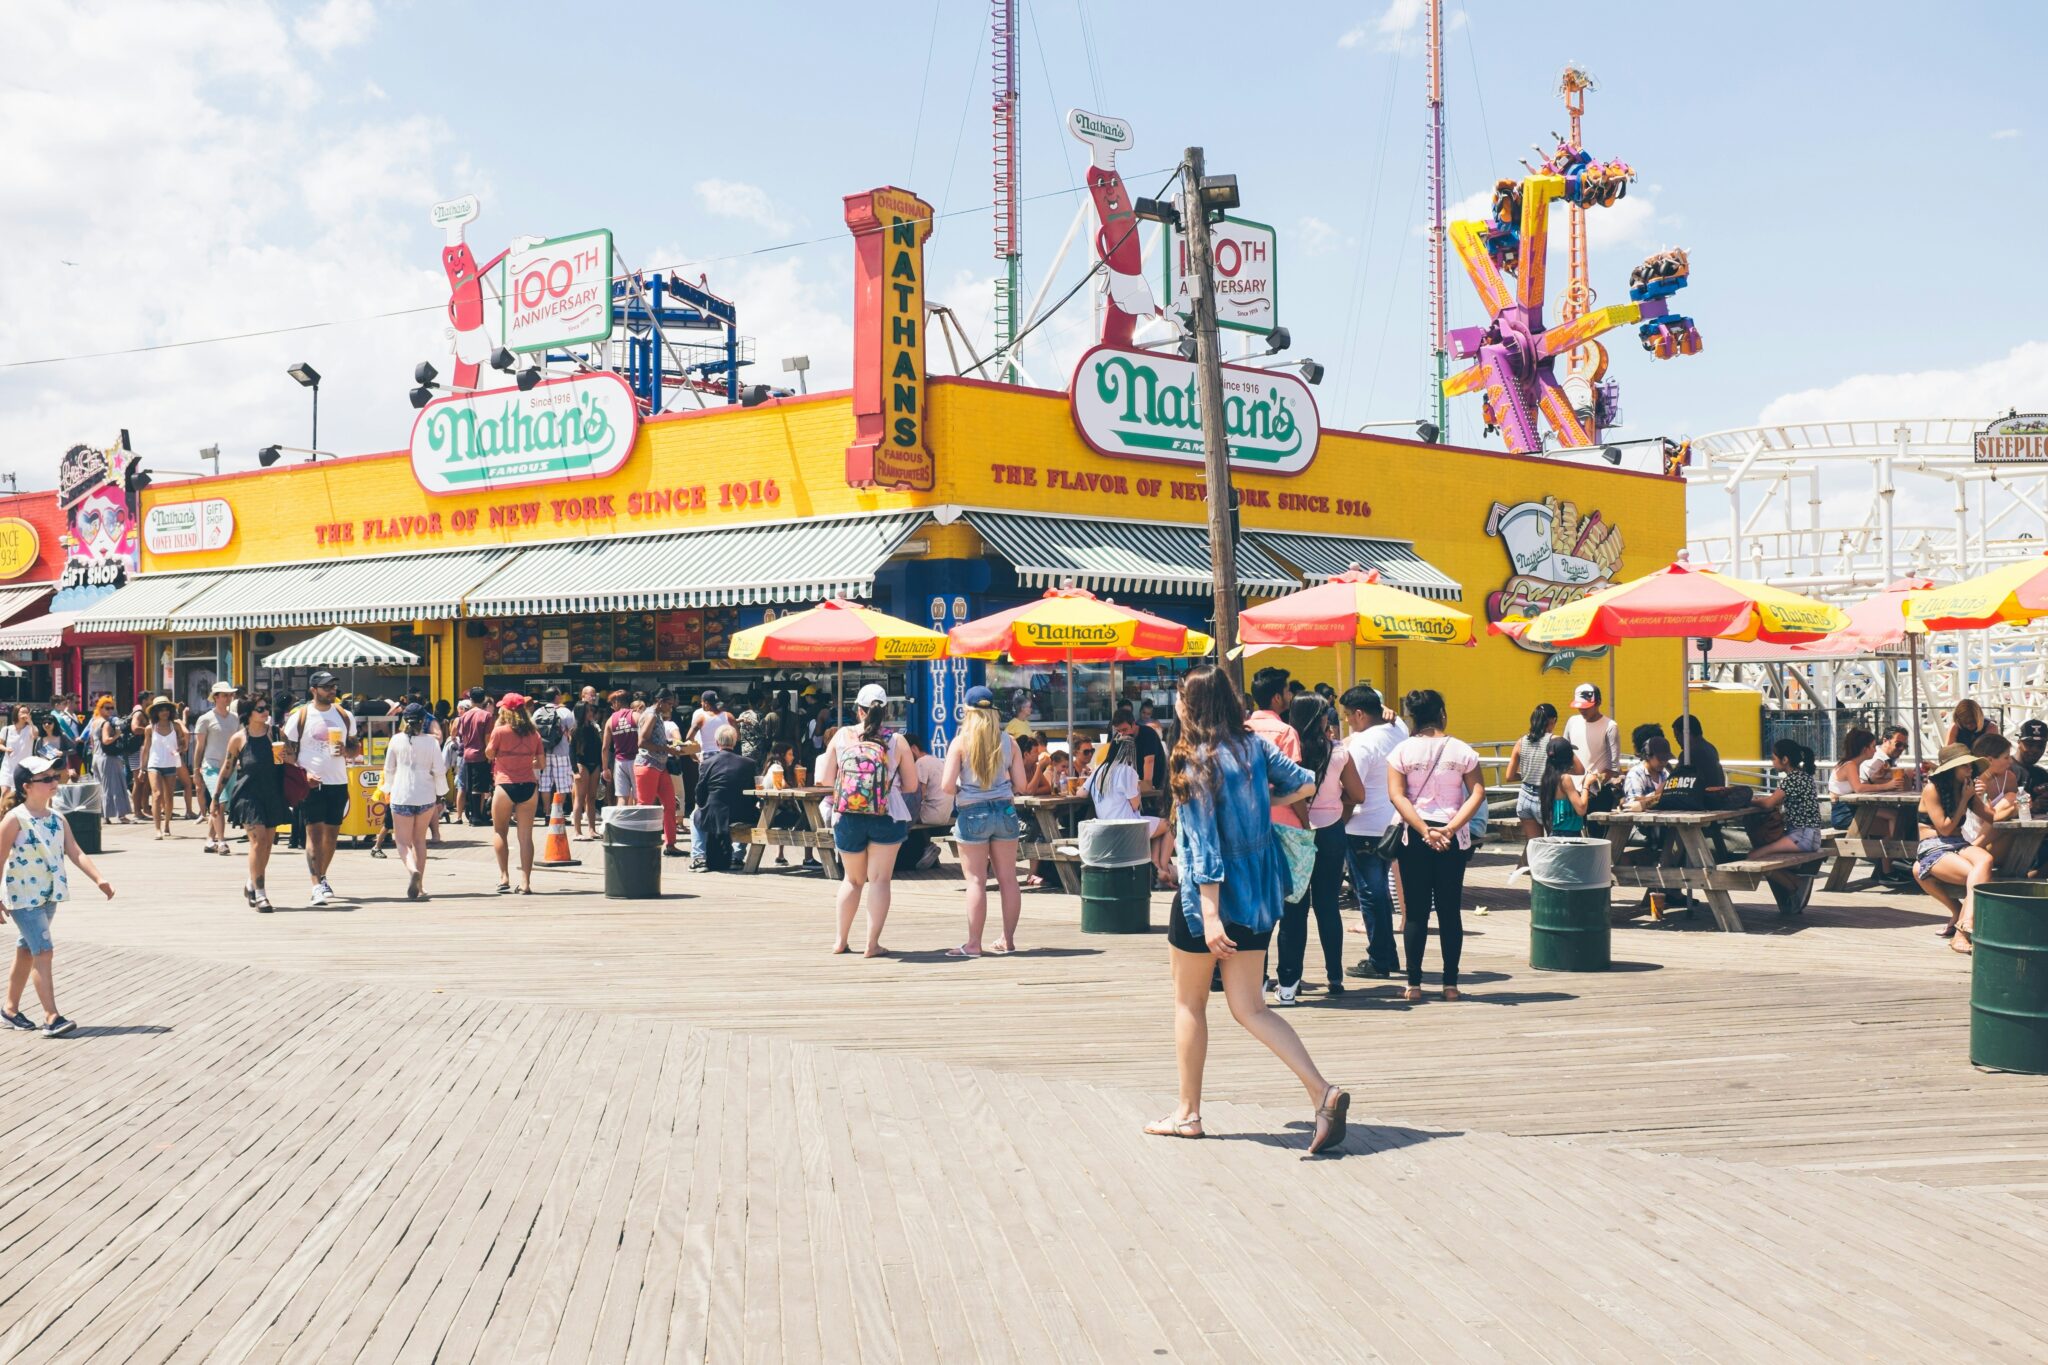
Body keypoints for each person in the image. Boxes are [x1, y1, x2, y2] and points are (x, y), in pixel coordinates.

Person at [1147, 665, 1348, 1153]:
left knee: (1189, 1004)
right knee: (1252, 1008)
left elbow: (1203, 847)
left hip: (1208, 901)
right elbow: (1304, 783)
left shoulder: (1193, 760)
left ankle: (1188, 1114)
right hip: (1260, 894)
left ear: (1191, 705)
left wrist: (1211, 915)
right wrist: (1264, 798)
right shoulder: (1255, 748)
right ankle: (1321, 1092)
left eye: (1179, 697)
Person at [0, 756, 113, 1038]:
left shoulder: (57, 817)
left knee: (28, 948)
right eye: (46, 779)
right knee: (44, 950)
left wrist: (99, 878)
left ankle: (9, 1010)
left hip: (49, 895)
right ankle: (52, 1016)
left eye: (54, 777)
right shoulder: (14, 819)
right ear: (27, 786)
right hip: (23, 897)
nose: (54, 782)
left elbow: (75, 851)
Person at [1387, 689, 1485, 1003]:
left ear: (1413, 717)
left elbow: (1397, 795)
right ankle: (1450, 984)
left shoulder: (1401, 751)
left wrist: (1423, 830)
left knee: (1414, 913)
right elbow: (1477, 793)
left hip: (1414, 836)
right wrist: (1450, 829)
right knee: (1448, 911)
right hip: (1452, 837)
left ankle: (1414, 984)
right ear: (1442, 713)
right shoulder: (1462, 750)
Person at [818, 683, 920, 958]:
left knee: (851, 880)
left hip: (848, 815)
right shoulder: (897, 741)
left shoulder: (842, 736)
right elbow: (911, 786)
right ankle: (872, 944)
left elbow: (826, 780)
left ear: (858, 710)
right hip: (886, 815)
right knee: (879, 880)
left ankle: (840, 940)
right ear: (885, 711)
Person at [1275, 695, 1355, 1004]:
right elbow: (1358, 792)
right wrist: (1337, 807)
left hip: (1295, 831)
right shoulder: (1338, 752)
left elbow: (1285, 790)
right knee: (1327, 906)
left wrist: (1305, 814)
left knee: (1293, 907)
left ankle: (1288, 981)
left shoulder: (1288, 752)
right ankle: (1334, 976)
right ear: (1320, 718)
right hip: (1331, 830)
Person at [941, 687, 1030, 957]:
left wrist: (965, 792)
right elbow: (1022, 786)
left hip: (972, 812)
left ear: (968, 712)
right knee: (1009, 880)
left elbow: (946, 786)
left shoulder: (960, 742)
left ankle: (973, 944)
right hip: (1004, 811)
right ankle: (1008, 940)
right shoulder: (1009, 742)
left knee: (976, 881)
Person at [1339, 684, 1406, 981]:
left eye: (1348, 717)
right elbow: (1393, 716)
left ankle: (1380, 958)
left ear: (1359, 713)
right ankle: (1387, 955)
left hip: (1362, 825)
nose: (1347, 723)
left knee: (1370, 893)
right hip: (1393, 824)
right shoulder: (1398, 729)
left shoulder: (1363, 745)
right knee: (1378, 892)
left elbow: (1352, 791)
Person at [279, 671, 357, 906]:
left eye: (333, 686)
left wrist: (347, 751)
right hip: (311, 784)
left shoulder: (344, 715)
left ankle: (322, 877)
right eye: (326, 687)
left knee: (332, 835)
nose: (332, 691)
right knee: (314, 833)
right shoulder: (301, 716)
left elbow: (354, 747)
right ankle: (315, 885)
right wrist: (303, 773)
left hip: (338, 781)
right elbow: (286, 751)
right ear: (313, 690)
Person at [1914, 743, 1995, 950]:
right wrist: (1965, 800)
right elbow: (1945, 829)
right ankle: (1962, 932)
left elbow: (1991, 817)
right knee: (1976, 875)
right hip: (1934, 846)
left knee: (1986, 860)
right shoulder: (1932, 789)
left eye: (1970, 765)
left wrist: (1986, 795)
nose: (1970, 769)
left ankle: (1963, 925)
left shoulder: (1965, 787)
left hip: (1959, 844)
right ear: (1952, 769)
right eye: (1965, 766)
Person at [220, 694, 285, 911]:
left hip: (272, 792)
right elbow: (227, 767)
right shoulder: (239, 738)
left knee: (267, 844)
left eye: (267, 708)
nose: (266, 712)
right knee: (257, 842)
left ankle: (251, 882)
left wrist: (287, 754)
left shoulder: (275, 734)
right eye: (261, 709)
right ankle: (261, 894)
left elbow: (292, 759)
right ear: (248, 714)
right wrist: (215, 798)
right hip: (248, 795)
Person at [381, 702, 447, 901]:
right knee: (419, 840)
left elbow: (389, 769)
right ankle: (421, 884)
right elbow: (439, 770)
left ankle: (412, 870)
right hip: (426, 795)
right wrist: (441, 791)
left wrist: (387, 789)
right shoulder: (431, 742)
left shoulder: (396, 740)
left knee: (401, 841)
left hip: (402, 794)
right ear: (423, 721)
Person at [1086, 732, 1172, 881]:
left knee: (1157, 824)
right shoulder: (1127, 771)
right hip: (1128, 826)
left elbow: (1081, 793)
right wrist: (1137, 790)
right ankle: (1162, 867)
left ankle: (1157, 866)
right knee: (1170, 825)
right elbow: (1135, 804)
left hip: (1106, 824)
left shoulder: (1099, 770)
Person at [1750, 741, 1825, 910]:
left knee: (1755, 856)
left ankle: (1795, 885)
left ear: (1785, 760)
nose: (1772, 762)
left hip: (1802, 836)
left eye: (1774, 758)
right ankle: (1794, 885)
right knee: (1760, 855)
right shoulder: (1804, 776)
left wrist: (1749, 801)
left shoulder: (1791, 780)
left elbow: (1769, 803)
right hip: (1811, 835)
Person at [485, 692, 543, 894]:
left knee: (500, 831)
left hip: (505, 786)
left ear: (506, 711)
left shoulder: (499, 731)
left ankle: (504, 877)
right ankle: (526, 882)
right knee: (526, 837)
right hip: (528, 786)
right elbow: (541, 763)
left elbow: (489, 754)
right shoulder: (534, 734)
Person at [693, 724, 758, 873]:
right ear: (735, 742)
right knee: (751, 816)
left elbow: (700, 791)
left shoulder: (707, 763)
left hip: (715, 811)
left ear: (717, 743)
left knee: (694, 816)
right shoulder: (749, 764)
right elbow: (753, 792)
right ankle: (737, 857)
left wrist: (702, 806)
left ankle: (699, 858)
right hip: (743, 812)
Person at [1506, 702, 1559, 879]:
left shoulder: (1521, 741)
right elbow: (1576, 768)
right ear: (1553, 721)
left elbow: (1509, 775)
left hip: (1525, 798)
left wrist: (1528, 774)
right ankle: (1551, 885)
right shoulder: (1554, 741)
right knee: (1553, 846)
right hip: (1546, 798)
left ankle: (1537, 886)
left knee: (1535, 847)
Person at [634, 687, 684, 857]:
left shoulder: (656, 715)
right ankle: (639, 844)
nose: (671, 707)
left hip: (659, 766)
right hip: (648, 765)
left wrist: (668, 745)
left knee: (670, 804)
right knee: (644, 807)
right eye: (669, 704)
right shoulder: (651, 715)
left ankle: (670, 844)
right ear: (660, 702)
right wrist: (666, 748)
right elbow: (642, 742)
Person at [192, 680, 240, 855]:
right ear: (216, 697)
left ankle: (209, 839)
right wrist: (196, 771)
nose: (229, 698)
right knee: (219, 802)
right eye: (225, 695)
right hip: (211, 767)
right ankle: (221, 841)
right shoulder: (206, 719)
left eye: (230, 695)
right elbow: (199, 746)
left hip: (230, 767)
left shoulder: (235, 718)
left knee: (220, 804)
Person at [136, 696, 189, 840]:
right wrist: (142, 769)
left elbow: (184, 742)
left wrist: (181, 748)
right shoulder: (150, 728)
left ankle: (167, 825)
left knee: (169, 797)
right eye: (161, 710)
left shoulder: (175, 726)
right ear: (155, 712)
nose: (164, 712)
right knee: (157, 794)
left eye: (166, 709)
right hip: (155, 764)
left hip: (170, 764)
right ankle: (157, 829)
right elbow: (146, 749)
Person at [897, 734, 951, 871]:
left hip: (931, 814)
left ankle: (919, 851)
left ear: (914, 748)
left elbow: (919, 793)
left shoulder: (920, 763)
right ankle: (926, 848)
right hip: (944, 813)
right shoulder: (936, 760)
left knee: (900, 818)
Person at [454, 687, 495, 825]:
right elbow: (487, 737)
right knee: (480, 787)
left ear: (470, 699)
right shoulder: (486, 716)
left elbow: (461, 735)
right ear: (483, 699)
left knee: (470, 787)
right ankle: (477, 817)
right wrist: (490, 755)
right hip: (481, 754)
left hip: (467, 754)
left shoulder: (464, 716)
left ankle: (473, 815)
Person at [89, 696, 133, 825]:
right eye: (107, 708)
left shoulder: (94, 721)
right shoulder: (106, 723)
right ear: (100, 708)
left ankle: (104, 815)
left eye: (111, 708)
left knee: (101, 787)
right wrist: (117, 735)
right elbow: (106, 740)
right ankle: (121, 815)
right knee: (116, 786)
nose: (110, 711)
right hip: (108, 758)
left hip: (96, 757)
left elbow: (92, 741)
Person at [534, 687, 575, 823]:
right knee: (562, 784)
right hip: (561, 752)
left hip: (544, 752)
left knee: (545, 784)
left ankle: (547, 814)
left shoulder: (539, 712)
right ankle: (557, 814)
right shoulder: (565, 712)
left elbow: (533, 731)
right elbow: (572, 731)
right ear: (557, 696)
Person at [1565, 682, 1619, 779]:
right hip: (1572, 789)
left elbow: (1613, 767)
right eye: (1580, 706)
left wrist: (1594, 783)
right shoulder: (1572, 722)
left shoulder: (1610, 726)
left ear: (1598, 702)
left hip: (1597, 790)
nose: (1582, 710)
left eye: (1586, 707)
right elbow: (1564, 754)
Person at [1542, 737, 1592, 836]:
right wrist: (1587, 784)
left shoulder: (1549, 776)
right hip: (1568, 834)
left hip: (1556, 832)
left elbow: (1580, 770)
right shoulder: (1565, 779)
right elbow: (1581, 809)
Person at [570, 701, 603, 839]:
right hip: (581, 764)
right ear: (582, 712)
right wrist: (574, 771)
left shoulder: (594, 728)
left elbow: (598, 749)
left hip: (594, 764)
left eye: (591, 711)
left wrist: (601, 767)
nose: (591, 713)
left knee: (592, 798)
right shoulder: (575, 729)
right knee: (580, 798)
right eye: (588, 711)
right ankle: (577, 832)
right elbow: (571, 752)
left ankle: (592, 830)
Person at [601, 688, 636, 806]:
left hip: (620, 762)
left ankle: (621, 824)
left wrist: (605, 768)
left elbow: (605, 747)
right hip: (636, 761)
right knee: (638, 797)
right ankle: (637, 824)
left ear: (617, 702)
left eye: (612, 703)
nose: (612, 706)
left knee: (621, 797)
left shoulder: (610, 721)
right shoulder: (636, 716)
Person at [1671, 715, 1726, 787]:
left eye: (1677, 735)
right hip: (1716, 795)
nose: (1676, 740)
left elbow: (1674, 779)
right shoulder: (1711, 748)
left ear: (1687, 733)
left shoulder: (1689, 754)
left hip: (1702, 796)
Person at [0, 704, 34, 813]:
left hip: (23, 768)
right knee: (5, 792)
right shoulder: (7, 729)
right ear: (16, 714)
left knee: (20, 794)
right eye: (22, 712)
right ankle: (2, 814)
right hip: (8, 766)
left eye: (26, 712)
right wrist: (6, 749)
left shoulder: (30, 729)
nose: (24, 714)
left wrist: (30, 722)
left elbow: (35, 735)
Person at [1624, 734, 1673, 808]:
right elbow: (1632, 804)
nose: (1664, 762)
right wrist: (1658, 796)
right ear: (1648, 756)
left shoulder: (1666, 773)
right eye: (1660, 759)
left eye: (1666, 759)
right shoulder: (1636, 774)